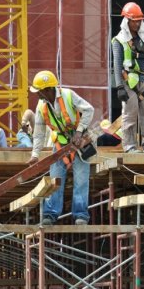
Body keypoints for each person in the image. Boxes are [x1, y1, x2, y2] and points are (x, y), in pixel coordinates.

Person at [26, 70, 94, 225]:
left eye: (39, 92)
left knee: (81, 179)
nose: (38, 95)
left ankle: (81, 215)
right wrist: (35, 154)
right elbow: (39, 132)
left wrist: (79, 131)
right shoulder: (41, 106)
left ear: (48, 90)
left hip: (79, 143)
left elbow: (89, 110)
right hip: (60, 145)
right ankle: (50, 214)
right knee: (55, 179)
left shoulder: (68, 95)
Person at [112, 2, 144, 153]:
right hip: (129, 83)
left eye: (139, 20)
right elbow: (118, 65)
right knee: (129, 116)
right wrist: (119, 86)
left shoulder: (143, 39)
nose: (137, 23)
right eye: (134, 20)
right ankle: (130, 146)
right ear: (127, 21)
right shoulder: (119, 41)